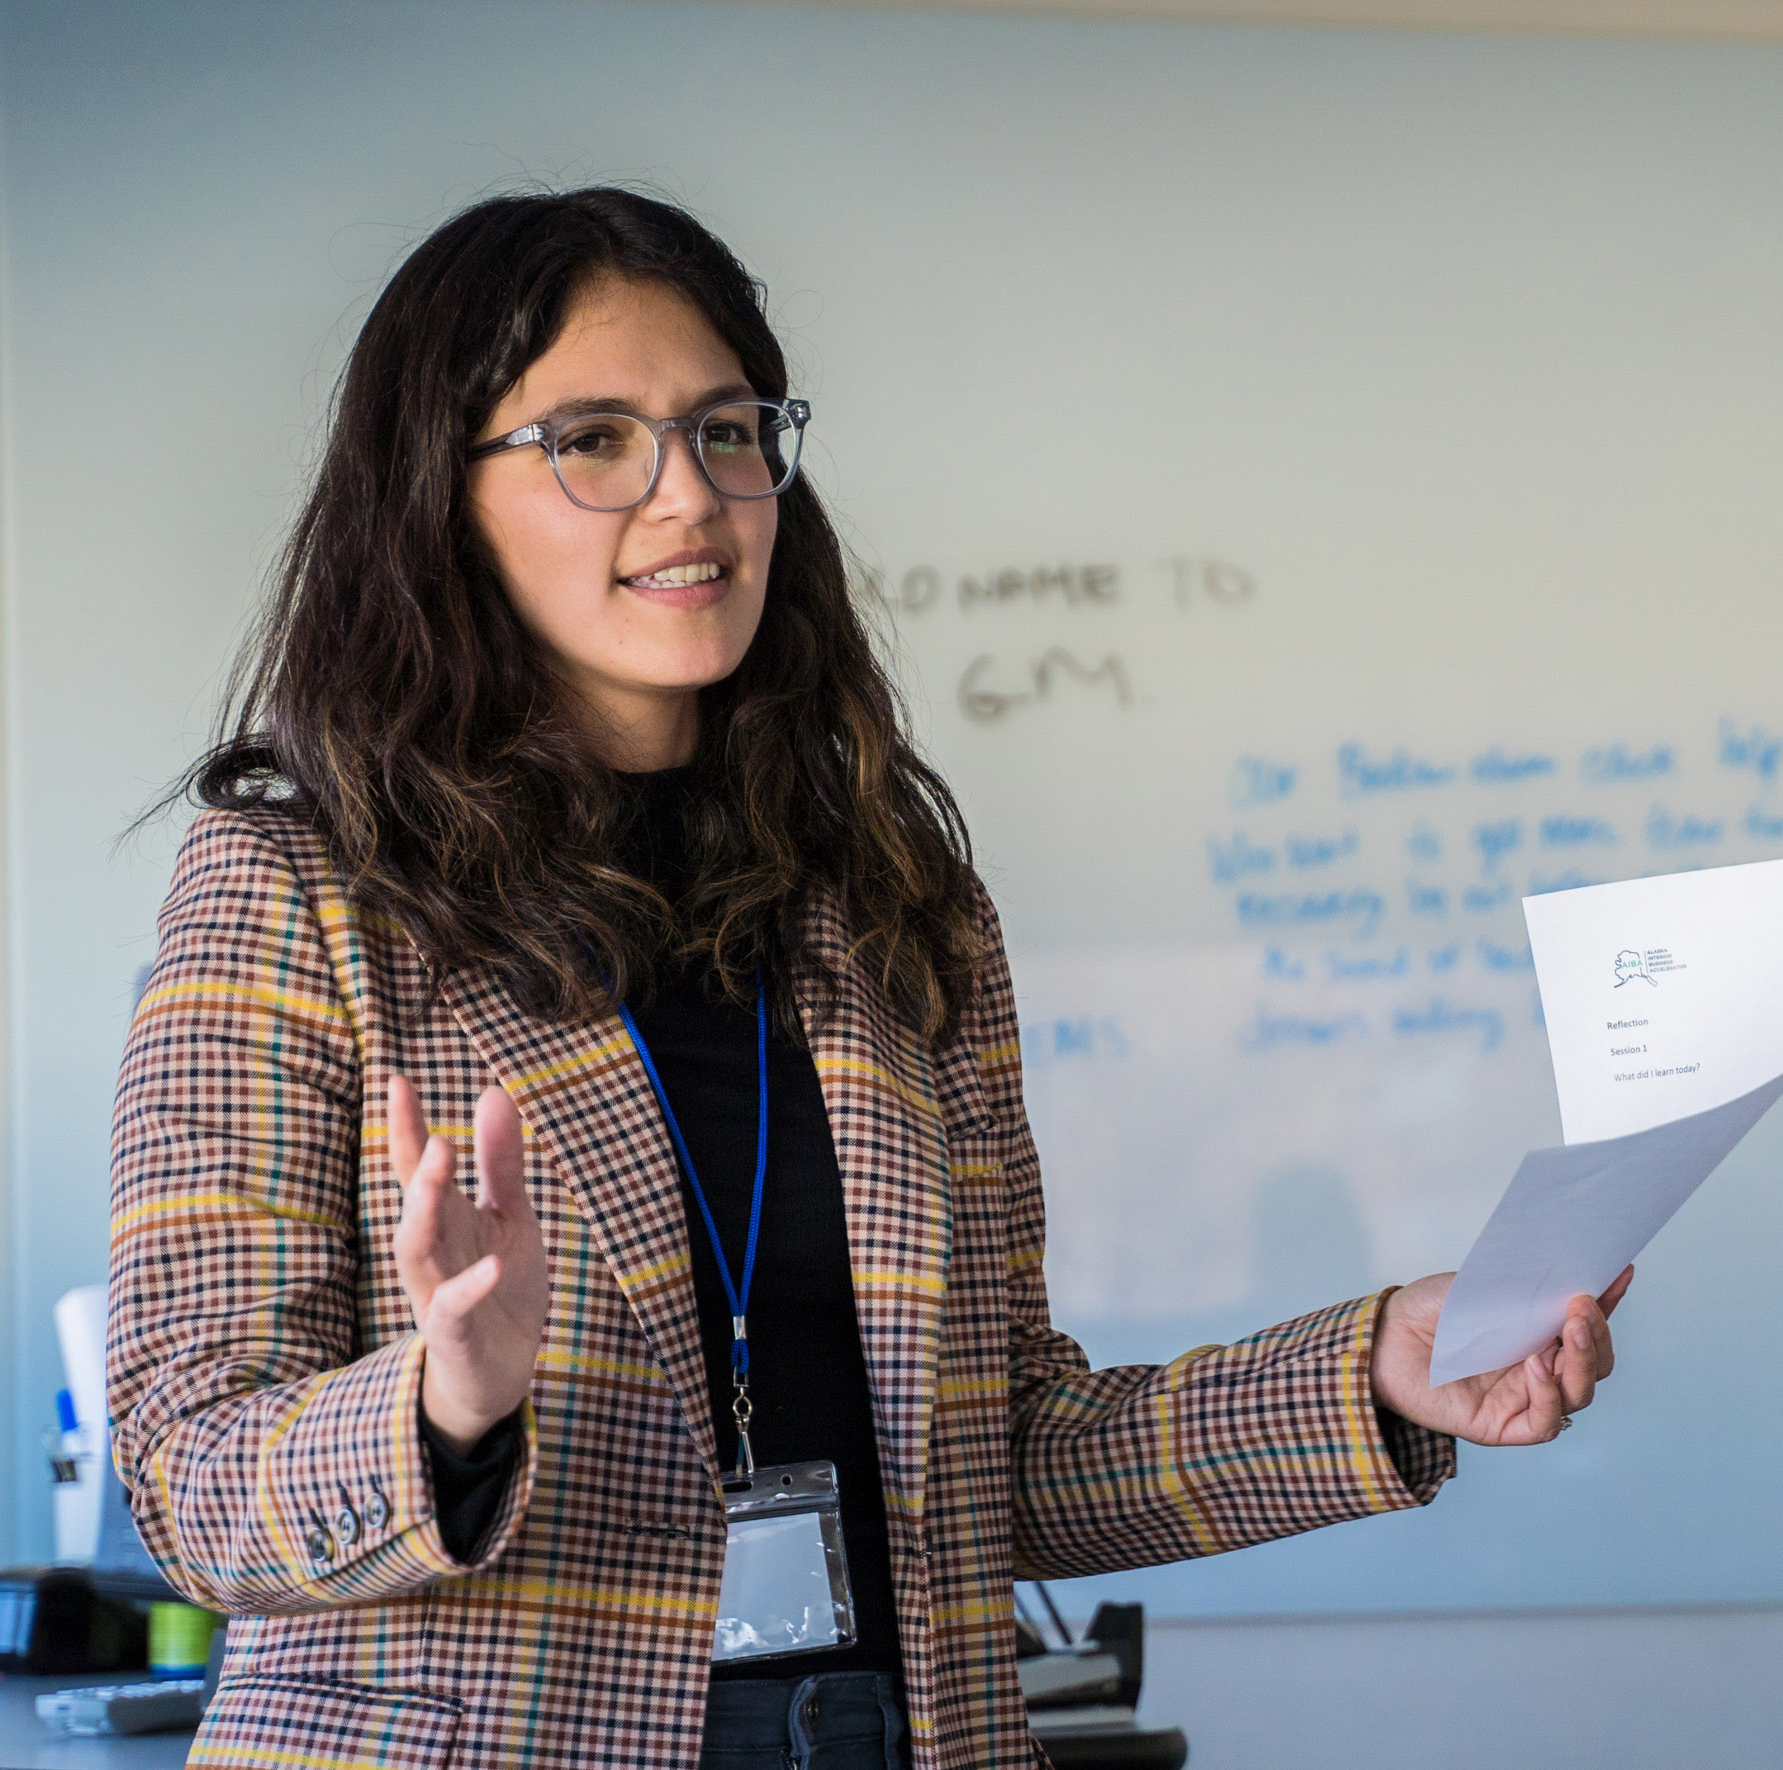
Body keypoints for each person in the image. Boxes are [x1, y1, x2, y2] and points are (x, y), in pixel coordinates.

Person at [106, 187, 1626, 1770]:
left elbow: (1002, 1456)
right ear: (439, 497)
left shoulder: (899, 910)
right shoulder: (297, 896)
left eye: (727, 429)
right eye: (595, 440)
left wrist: (1372, 1372)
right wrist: (447, 1404)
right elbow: (186, 1473)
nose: (690, 496)